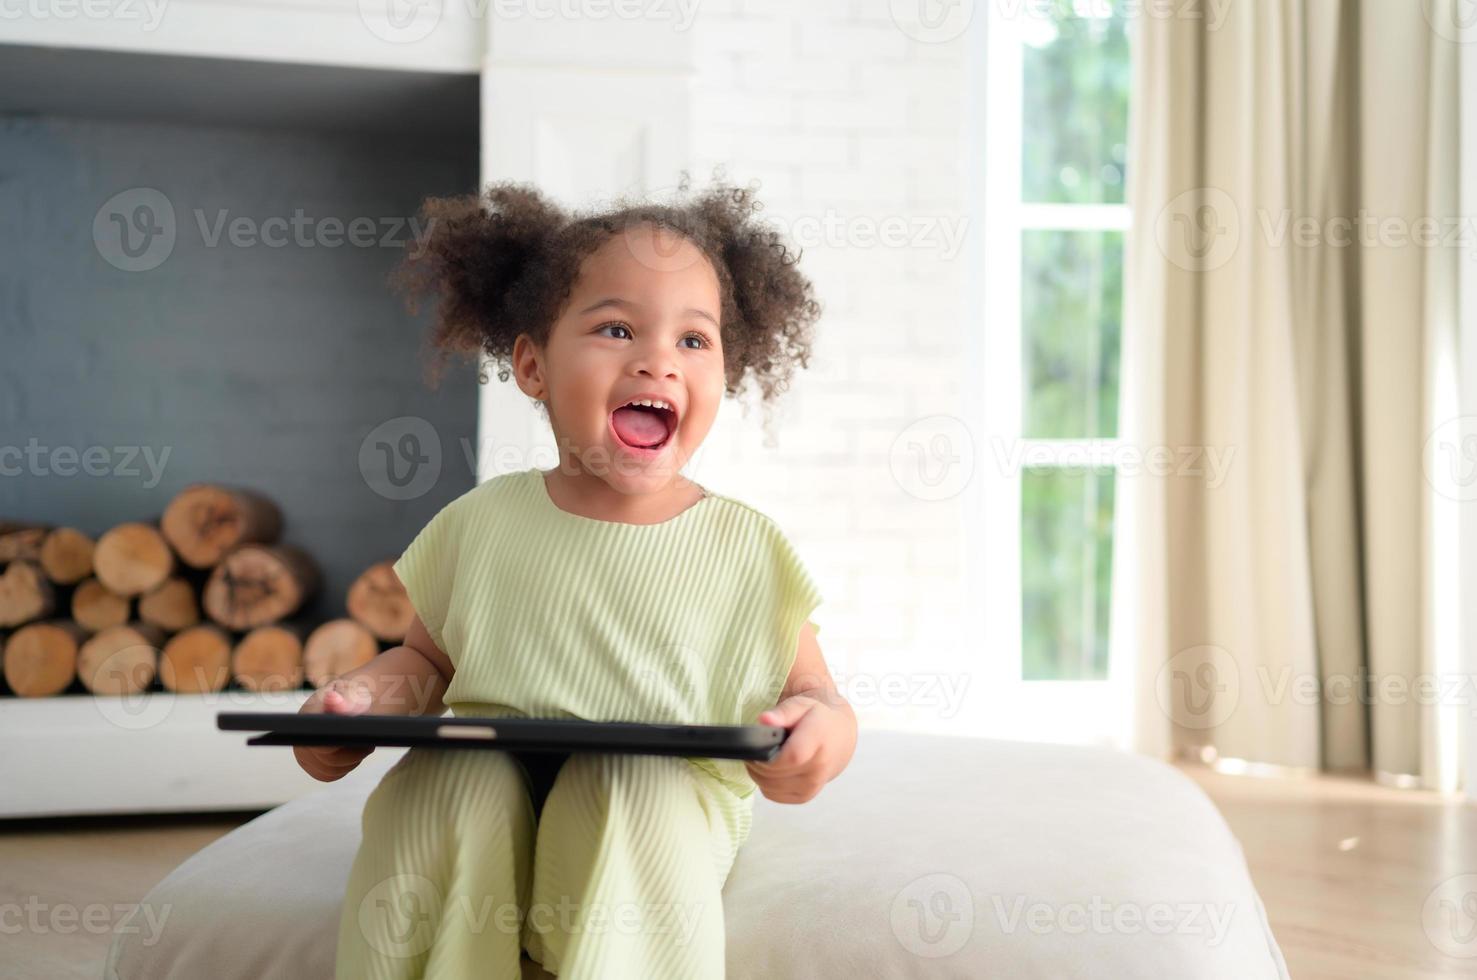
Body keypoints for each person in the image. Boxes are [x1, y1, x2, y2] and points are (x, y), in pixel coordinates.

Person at [294, 171, 857, 979]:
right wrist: (353, 710)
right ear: (532, 367)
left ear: (723, 377)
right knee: (439, 791)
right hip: (491, 771)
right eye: (617, 330)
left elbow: (817, 693)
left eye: (692, 341)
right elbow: (424, 664)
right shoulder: (481, 524)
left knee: (624, 793)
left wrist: (815, 738)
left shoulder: (743, 545)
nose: (658, 363)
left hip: (665, 796)